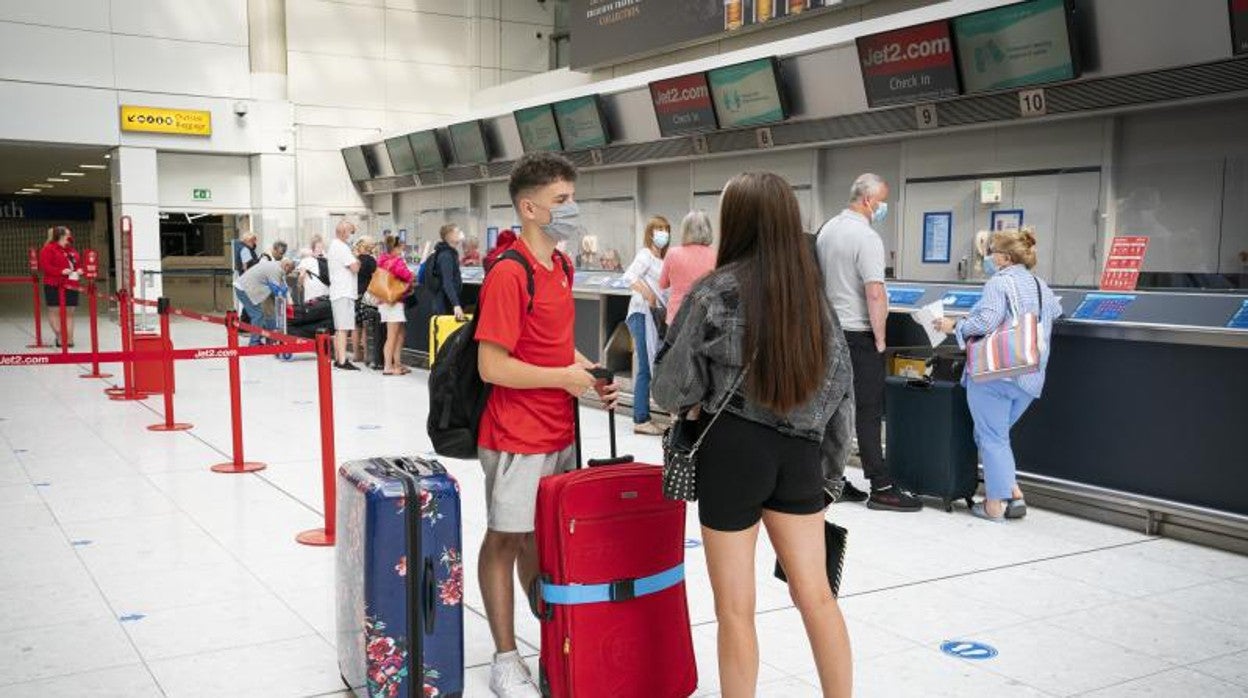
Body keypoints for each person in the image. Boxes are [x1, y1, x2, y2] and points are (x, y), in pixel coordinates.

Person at [653, 172, 853, 698]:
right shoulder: (814, 300)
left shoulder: (715, 291)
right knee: (817, 596)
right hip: (801, 455)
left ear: (735, 222)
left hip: (733, 451)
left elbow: (672, 388)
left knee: (736, 611)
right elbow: (841, 395)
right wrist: (828, 474)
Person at [474, 152, 616, 698]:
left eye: (572, 199)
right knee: (507, 537)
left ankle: (553, 639)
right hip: (515, 433)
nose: (571, 209)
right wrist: (561, 377)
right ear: (529, 208)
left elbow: (557, 349)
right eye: (561, 201)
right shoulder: (511, 273)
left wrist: (586, 371)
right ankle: (505, 659)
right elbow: (493, 365)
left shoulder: (561, 268)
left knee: (545, 539)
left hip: (559, 431)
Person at [933, 228, 1062, 522]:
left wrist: (954, 326)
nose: (989, 256)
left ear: (1004, 257)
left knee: (991, 437)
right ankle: (1014, 493)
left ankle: (994, 506)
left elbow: (986, 321)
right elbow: (1054, 313)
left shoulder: (999, 283)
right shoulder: (1041, 285)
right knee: (994, 435)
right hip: (1030, 376)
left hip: (996, 373)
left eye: (992, 251)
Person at [816, 174, 921, 512]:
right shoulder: (866, 237)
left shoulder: (827, 230)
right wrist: (880, 338)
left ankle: (829, 478)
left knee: (829, 409)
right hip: (858, 334)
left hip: (827, 331)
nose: (882, 208)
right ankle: (881, 485)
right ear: (866, 200)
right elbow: (874, 292)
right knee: (868, 410)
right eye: (881, 202)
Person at [622, 216, 670, 435]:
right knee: (644, 367)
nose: (662, 233)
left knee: (653, 365)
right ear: (650, 232)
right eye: (658, 229)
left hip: (655, 317)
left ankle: (647, 415)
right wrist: (649, 295)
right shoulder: (645, 255)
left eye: (665, 229)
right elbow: (629, 276)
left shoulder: (664, 259)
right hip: (641, 314)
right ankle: (640, 419)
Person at [658, 210, 716, 325]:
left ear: (685, 230)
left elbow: (662, 284)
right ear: (708, 230)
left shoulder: (672, 253)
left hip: (677, 317)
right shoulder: (716, 255)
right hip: (704, 318)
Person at [233, 258, 296, 346]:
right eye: (289, 271)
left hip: (245, 287)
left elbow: (280, 287)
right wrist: (288, 304)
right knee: (257, 315)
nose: (288, 274)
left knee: (264, 314)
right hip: (244, 289)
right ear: (286, 266)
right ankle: (254, 343)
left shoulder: (275, 266)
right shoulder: (276, 270)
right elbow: (277, 291)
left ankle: (265, 339)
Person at [376, 235, 414, 375]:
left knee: (399, 334)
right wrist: (412, 275)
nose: (402, 249)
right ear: (396, 247)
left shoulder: (382, 260)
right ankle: (388, 367)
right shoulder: (397, 261)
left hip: (384, 301)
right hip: (393, 302)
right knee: (392, 336)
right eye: (401, 247)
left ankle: (397, 363)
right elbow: (407, 276)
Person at [38, 226, 81, 347]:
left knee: (70, 312)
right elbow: (45, 267)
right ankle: (60, 337)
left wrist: (79, 270)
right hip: (54, 284)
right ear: (61, 235)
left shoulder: (70, 249)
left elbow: (77, 263)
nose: (70, 235)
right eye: (68, 233)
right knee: (55, 311)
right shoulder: (48, 249)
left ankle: (70, 339)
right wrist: (61, 271)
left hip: (71, 284)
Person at [328, 220, 361, 370]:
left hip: (340, 292)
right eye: (350, 232)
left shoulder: (336, 246)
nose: (351, 236)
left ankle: (338, 357)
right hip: (343, 292)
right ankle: (342, 360)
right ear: (344, 232)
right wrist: (357, 259)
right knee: (343, 328)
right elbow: (355, 268)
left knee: (339, 328)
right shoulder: (341, 247)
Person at [353, 236, 381, 369]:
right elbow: (378, 276)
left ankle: (356, 354)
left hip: (354, 294)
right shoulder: (370, 260)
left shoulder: (354, 259)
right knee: (365, 325)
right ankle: (366, 356)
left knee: (355, 326)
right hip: (365, 296)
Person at [429, 224, 466, 322]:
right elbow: (447, 282)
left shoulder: (450, 253)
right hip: (444, 303)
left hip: (447, 300)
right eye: (457, 232)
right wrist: (456, 305)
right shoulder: (446, 256)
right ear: (449, 236)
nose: (460, 234)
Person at [297, 235, 330, 303]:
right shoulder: (327, 260)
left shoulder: (306, 260)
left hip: (312, 297)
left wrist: (299, 286)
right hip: (326, 295)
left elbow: (302, 275)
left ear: (312, 248)